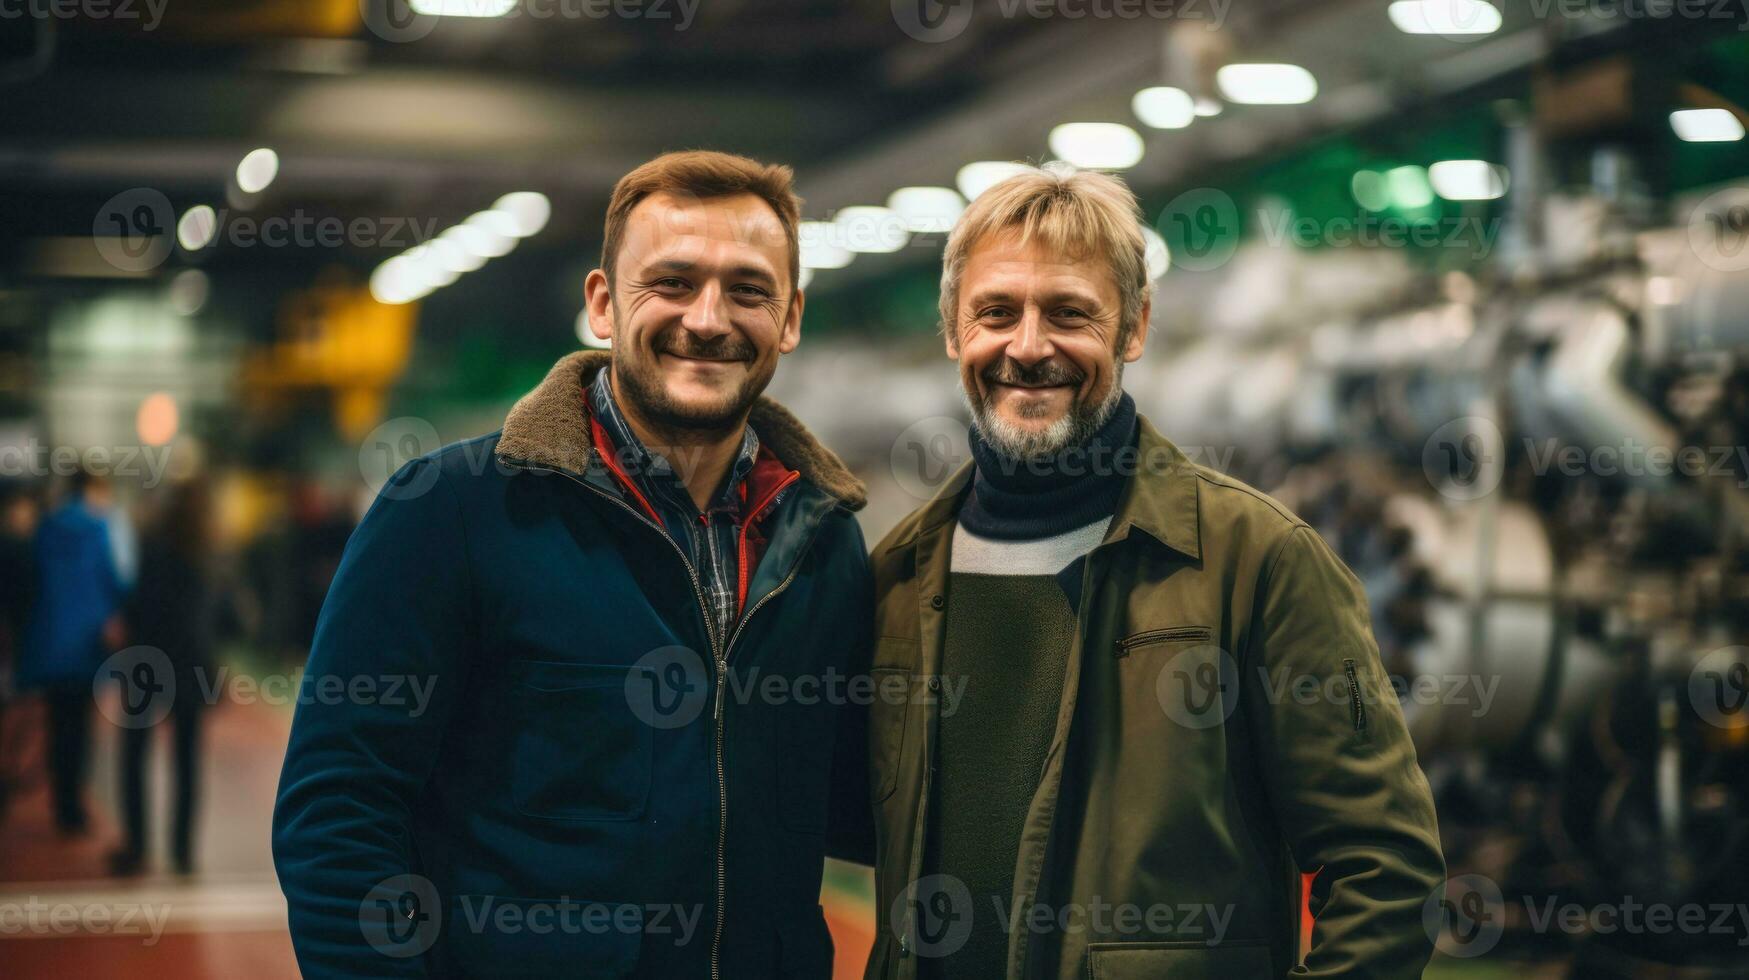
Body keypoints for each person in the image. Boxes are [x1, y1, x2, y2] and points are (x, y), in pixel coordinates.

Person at [273, 150, 874, 978]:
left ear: (792, 316)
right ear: (602, 303)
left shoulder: (821, 539)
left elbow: (848, 800)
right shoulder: (450, 512)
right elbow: (339, 815)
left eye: (747, 290)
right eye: (671, 282)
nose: (707, 319)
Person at [862, 167, 1446, 978]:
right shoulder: (895, 577)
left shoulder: (1258, 561)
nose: (1028, 347)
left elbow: (1386, 868)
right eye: (996, 312)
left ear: (1132, 328)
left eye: (1069, 312)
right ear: (954, 333)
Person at [110, 479, 217, 876]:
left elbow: (138, 605)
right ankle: (183, 852)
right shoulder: (206, 553)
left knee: (134, 755)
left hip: (147, 664)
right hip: (191, 666)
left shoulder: (151, 547)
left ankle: (137, 848)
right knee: (187, 761)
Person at [19, 470, 125, 835]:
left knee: (55, 722)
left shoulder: (45, 527)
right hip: (87, 643)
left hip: (49, 640)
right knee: (81, 727)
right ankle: (73, 808)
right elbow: (114, 580)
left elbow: (28, 583)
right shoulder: (98, 528)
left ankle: (60, 800)